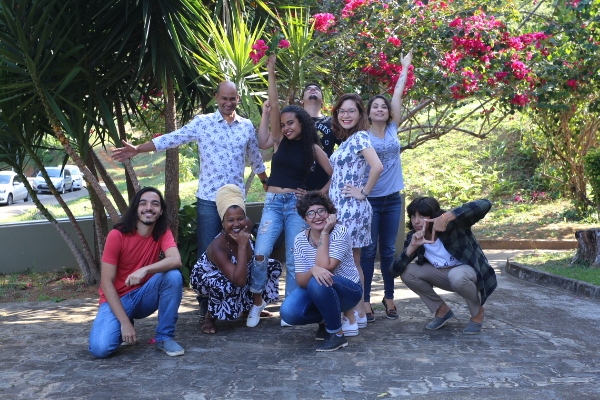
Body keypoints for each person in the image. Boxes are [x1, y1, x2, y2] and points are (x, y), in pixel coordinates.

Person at [111, 81, 268, 321]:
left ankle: (242, 303)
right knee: (208, 255)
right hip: (208, 200)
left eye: (232, 99)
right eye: (224, 98)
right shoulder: (203, 123)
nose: (228, 103)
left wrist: (266, 182)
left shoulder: (246, 126)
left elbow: (256, 158)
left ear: (238, 99)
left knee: (241, 250)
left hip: (235, 204)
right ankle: (207, 308)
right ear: (216, 98)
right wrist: (138, 149)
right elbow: (172, 138)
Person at [249, 55, 333, 328]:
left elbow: (334, 174)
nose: (285, 128)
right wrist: (270, 71)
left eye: (290, 124)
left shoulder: (313, 148)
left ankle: (290, 308)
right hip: (273, 203)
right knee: (260, 253)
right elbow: (274, 105)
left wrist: (316, 196)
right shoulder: (278, 142)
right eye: (283, 124)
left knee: (297, 260)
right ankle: (257, 302)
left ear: (302, 123)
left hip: (296, 206)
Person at [89, 187, 184, 358]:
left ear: (160, 211)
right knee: (100, 349)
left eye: (155, 204)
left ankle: (164, 337)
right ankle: (122, 324)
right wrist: (124, 323)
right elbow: (106, 283)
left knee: (173, 276)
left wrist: (145, 269)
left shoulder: (162, 232)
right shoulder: (116, 235)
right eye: (143, 203)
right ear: (136, 209)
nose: (149, 207)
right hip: (117, 300)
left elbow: (175, 260)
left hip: (143, 296)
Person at [389, 197, 497, 334]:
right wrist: (411, 247)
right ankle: (442, 310)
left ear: (433, 216)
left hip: (468, 274)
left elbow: (485, 204)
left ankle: (477, 312)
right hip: (442, 275)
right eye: (413, 216)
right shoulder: (414, 236)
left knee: (456, 276)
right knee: (407, 272)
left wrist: (447, 217)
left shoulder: (454, 226)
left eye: (422, 216)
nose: (416, 221)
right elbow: (393, 272)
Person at [361, 50, 413, 322]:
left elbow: (398, 95)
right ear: (368, 113)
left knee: (390, 251)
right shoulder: (362, 137)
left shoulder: (393, 129)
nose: (380, 109)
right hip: (370, 201)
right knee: (369, 251)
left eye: (383, 106)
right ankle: (366, 300)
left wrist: (404, 67)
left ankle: (389, 296)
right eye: (375, 107)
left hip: (393, 199)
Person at [189, 184, 282, 333]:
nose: (237, 224)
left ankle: (249, 309)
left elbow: (250, 264)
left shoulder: (247, 225)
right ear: (223, 222)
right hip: (206, 277)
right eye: (230, 220)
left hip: (237, 269)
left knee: (270, 266)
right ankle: (209, 318)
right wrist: (242, 246)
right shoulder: (217, 247)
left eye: (241, 218)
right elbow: (239, 280)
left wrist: (244, 248)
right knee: (225, 283)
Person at [280, 191, 362, 351]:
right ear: (304, 219)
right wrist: (313, 270)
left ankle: (337, 335)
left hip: (348, 291)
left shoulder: (340, 232)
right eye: (310, 213)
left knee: (319, 282)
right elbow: (301, 281)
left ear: (330, 213)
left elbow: (326, 266)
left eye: (321, 211)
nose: (316, 216)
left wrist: (325, 232)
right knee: (289, 312)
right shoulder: (300, 240)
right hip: (319, 288)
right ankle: (327, 320)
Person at [329, 93, 383, 334]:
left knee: (346, 263)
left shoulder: (360, 136)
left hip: (351, 209)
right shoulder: (349, 140)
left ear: (361, 114)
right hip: (344, 208)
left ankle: (353, 317)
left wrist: (363, 192)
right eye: (341, 111)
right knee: (354, 262)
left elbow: (377, 166)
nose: (345, 115)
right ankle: (359, 313)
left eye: (351, 111)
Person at [300, 83, 341, 191]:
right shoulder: (294, 122)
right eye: (308, 89)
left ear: (322, 101)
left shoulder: (333, 123)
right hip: (297, 187)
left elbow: (346, 148)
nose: (313, 89)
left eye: (317, 89)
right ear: (302, 101)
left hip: (324, 185)